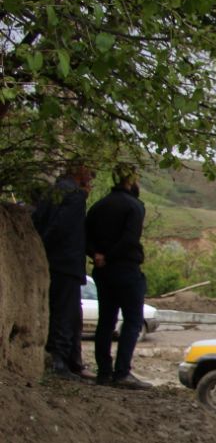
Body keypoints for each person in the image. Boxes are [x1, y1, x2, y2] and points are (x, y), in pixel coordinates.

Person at [84, 164, 152, 389]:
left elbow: (84, 235)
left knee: (106, 321)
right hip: (125, 269)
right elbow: (130, 239)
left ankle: (104, 372)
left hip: (103, 271)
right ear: (131, 180)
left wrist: (97, 255)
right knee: (132, 320)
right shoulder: (134, 206)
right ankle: (122, 372)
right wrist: (110, 256)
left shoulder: (99, 206)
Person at [31, 160, 95, 381]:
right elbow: (62, 228)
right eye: (89, 170)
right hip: (65, 262)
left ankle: (68, 361)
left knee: (63, 311)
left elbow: (39, 222)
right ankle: (59, 362)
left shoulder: (54, 192)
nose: (92, 176)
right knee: (65, 313)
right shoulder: (74, 196)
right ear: (79, 170)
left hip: (53, 261)